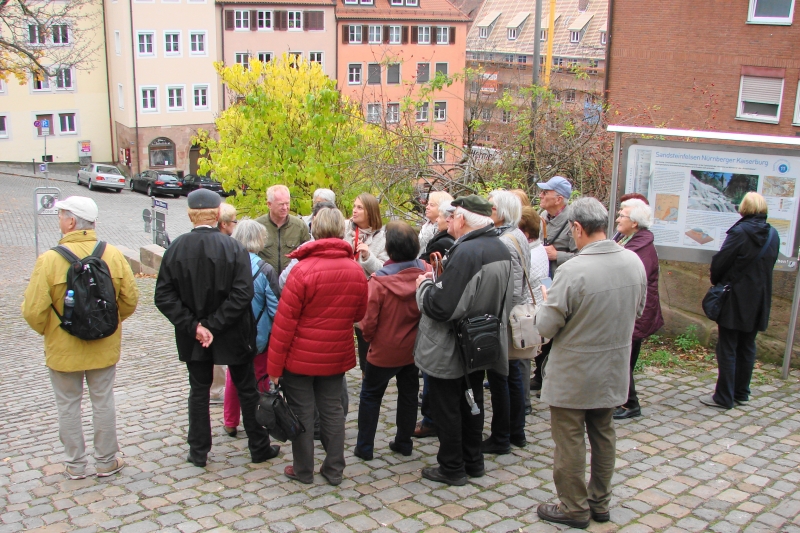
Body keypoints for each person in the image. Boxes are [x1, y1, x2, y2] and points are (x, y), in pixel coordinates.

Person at [534, 197, 646, 529]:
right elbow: (638, 311)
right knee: (603, 432)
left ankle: (573, 507)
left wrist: (545, 304)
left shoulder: (573, 270)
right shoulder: (633, 261)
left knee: (569, 438)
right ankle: (600, 502)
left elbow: (546, 326)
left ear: (577, 228)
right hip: (613, 367)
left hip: (574, 371)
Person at [155, 189, 279, 467]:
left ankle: (198, 451)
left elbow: (164, 296)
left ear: (190, 214)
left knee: (199, 391)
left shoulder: (176, 248)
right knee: (246, 388)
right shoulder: (233, 248)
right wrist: (211, 325)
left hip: (197, 335)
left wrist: (197, 327)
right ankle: (258, 447)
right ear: (217, 215)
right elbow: (242, 293)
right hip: (232, 331)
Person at [22, 196, 139, 479]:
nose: (59, 219)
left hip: (63, 347)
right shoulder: (112, 255)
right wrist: (108, 324)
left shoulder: (49, 260)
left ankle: (75, 465)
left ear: (71, 222)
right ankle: (106, 461)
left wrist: (52, 330)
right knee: (103, 401)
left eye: (61, 215)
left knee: (68, 404)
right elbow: (130, 300)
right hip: (104, 344)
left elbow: (33, 311)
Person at [415, 195, 513, 486]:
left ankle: (452, 467)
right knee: (472, 402)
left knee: (449, 407)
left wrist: (424, 286)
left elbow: (442, 307)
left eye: (452, 215)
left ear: (462, 219)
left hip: (452, 344)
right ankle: (473, 461)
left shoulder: (468, 252)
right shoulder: (499, 246)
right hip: (480, 341)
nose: (448, 220)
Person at [267, 207, 368, 485]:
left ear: (315, 229)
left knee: (302, 411)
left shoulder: (301, 270)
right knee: (333, 410)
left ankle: (303, 470)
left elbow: (284, 324)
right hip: (335, 354)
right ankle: (334, 469)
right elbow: (359, 313)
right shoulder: (355, 269)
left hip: (299, 357)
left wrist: (274, 368)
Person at [354, 221, 429, 460]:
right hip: (414, 348)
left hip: (384, 350)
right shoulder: (426, 271)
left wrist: (370, 340)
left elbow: (367, 322)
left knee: (370, 395)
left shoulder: (378, 281)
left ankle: (365, 447)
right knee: (409, 394)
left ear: (390, 248)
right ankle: (404, 442)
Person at [701, 192, 778, 410]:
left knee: (728, 347)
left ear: (743, 208)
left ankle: (724, 397)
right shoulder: (773, 234)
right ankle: (741, 392)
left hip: (735, 297)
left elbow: (721, 262)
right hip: (759, 298)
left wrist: (718, 281)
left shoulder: (740, 232)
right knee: (747, 345)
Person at [481, 190, 531, 455]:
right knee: (511, 376)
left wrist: (498, 319)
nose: (487, 210)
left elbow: (513, 288)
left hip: (506, 318)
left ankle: (502, 436)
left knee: (502, 378)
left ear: (503, 212)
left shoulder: (507, 240)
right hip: (509, 316)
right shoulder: (514, 235)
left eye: (491, 207)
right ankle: (516, 431)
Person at [222, 220, 280, 437]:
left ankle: (230, 420)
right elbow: (275, 308)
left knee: (233, 377)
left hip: (232, 334)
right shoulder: (265, 270)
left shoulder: (225, 266)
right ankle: (261, 420)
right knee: (260, 376)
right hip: (258, 336)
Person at [613, 198, 664, 420]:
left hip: (636, 313)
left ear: (634, 223)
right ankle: (621, 399)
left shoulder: (641, 247)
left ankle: (630, 404)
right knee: (623, 358)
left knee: (625, 358)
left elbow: (628, 278)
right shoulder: (627, 238)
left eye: (622, 215)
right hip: (630, 310)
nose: (618, 219)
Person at [531, 176, 577, 397]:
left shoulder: (573, 221)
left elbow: (583, 255)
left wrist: (558, 255)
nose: (540, 195)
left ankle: (550, 377)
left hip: (561, 281)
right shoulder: (542, 216)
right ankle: (539, 375)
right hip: (543, 280)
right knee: (542, 324)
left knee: (556, 330)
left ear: (559, 199)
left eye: (545, 192)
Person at [344, 192, 388, 371]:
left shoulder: (382, 236)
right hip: (343, 292)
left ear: (370, 212)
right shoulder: (344, 228)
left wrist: (367, 256)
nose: (354, 210)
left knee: (364, 338)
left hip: (367, 296)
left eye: (360, 208)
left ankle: (366, 374)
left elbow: (384, 270)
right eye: (354, 206)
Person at [518, 206, 549, 415]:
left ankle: (523, 404)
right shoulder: (538, 249)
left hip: (526, 314)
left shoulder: (530, 254)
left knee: (521, 361)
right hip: (532, 310)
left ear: (526, 234)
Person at [211, 202, 239, 403]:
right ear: (224, 224)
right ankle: (216, 389)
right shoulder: (224, 246)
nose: (235, 225)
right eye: (234, 222)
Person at [255, 184, 310, 274]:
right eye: (281, 204)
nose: (285, 208)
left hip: (292, 278)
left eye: (287, 203)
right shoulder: (257, 226)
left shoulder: (299, 226)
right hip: (265, 279)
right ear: (269, 204)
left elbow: (308, 256)